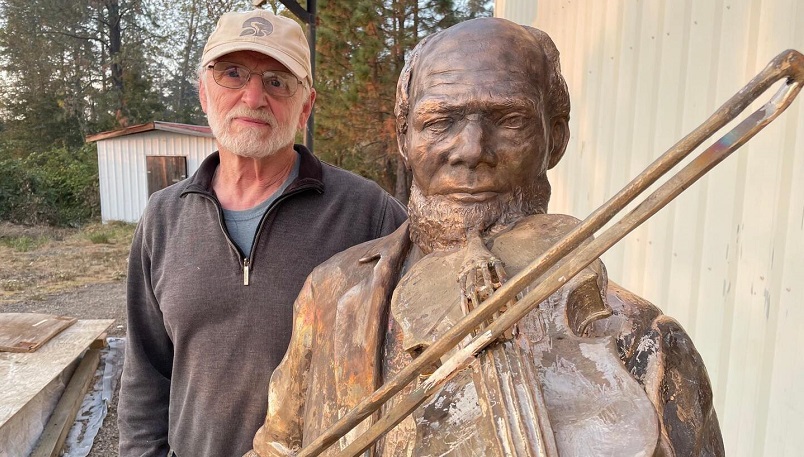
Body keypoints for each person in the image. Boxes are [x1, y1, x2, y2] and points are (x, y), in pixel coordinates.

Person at [247, 17, 724, 457]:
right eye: (439, 121)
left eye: (508, 120)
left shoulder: (647, 344)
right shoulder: (331, 293)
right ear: (404, 140)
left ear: (554, 138)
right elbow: (277, 448)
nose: (471, 150)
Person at [117, 9, 407, 457]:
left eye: (277, 81)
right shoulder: (164, 218)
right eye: (232, 74)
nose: (253, 97)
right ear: (203, 93)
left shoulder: (367, 213)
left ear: (305, 106)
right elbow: (146, 370)